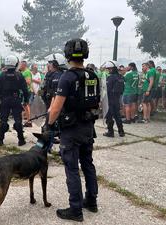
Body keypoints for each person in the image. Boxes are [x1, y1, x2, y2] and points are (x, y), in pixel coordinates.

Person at [45, 38, 99, 222]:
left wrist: (49, 124)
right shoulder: (93, 75)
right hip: (88, 127)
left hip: (71, 130)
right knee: (88, 165)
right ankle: (91, 201)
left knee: (72, 169)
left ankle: (75, 210)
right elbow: (96, 102)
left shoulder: (67, 77)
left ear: (68, 54)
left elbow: (56, 107)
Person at [0, 55, 29, 146]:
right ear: (15, 63)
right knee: (18, 120)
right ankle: (21, 140)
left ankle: (0, 140)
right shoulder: (19, 75)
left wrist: (0, 98)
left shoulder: (2, 76)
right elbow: (25, 90)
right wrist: (26, 100)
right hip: (16, 99)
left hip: (5, 100)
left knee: (3, 119)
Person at [103, 61, 125, 137]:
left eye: (109, 69)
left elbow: (107, 90)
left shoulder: (110, 77)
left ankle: (110, 132)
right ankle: (121, 131)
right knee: (117, 116)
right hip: (117, 99)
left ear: (113, 68)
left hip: (110, 100)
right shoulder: (121, 77)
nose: (108, 70)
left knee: (109, 116)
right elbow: (122, 90)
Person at [19, 61, 33, 127]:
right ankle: (27, 121)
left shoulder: (27, 72)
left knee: (26, 106)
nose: (19, 66)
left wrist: (20, 80)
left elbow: (29, 82)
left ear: (24, 65)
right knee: (24, 106)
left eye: (20, 65)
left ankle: (29, 121)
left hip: (26, 91)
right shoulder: (22, 72)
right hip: (23, 91)